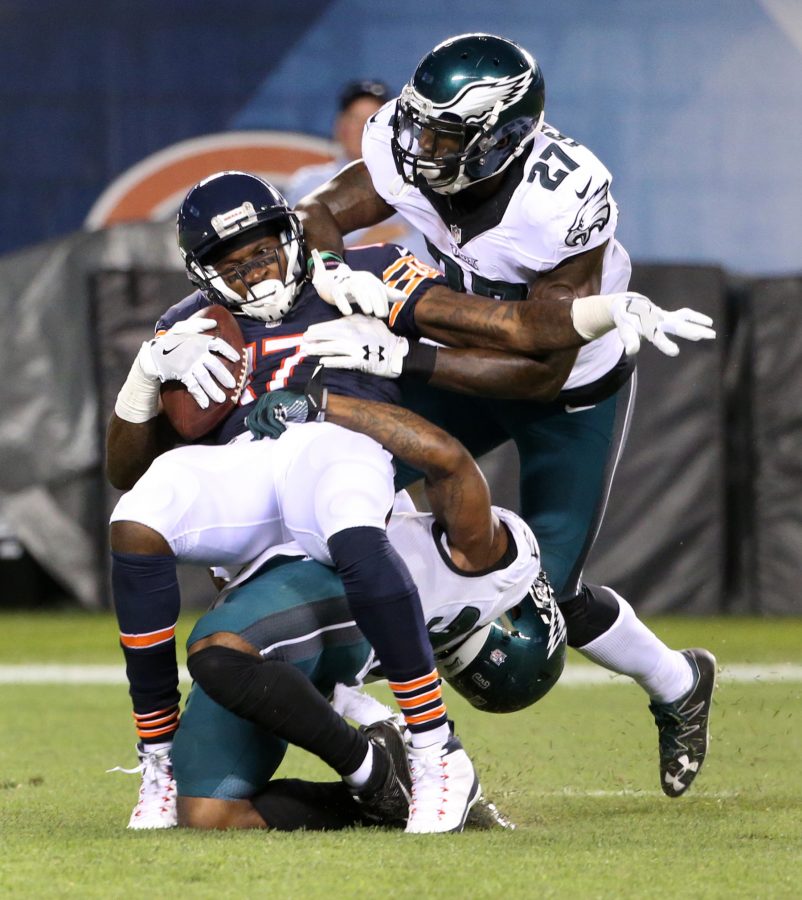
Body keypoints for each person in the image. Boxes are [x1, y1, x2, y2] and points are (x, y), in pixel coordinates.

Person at [294, 32, 718, 799]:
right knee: (337, 473)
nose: (418, 146)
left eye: (444, 134)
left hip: (567, 386)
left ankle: (678, 682)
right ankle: (342, 679)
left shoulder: (561, 200)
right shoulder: (407, 146)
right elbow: (321, 210)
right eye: (418, 125)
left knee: (527, 611)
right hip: (450, 344)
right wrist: (330, 272)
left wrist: (406, 346)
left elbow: (537, 365)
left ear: (503, 139)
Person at [106, 169, 496, 833]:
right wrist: (145, 375)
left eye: (262, 251)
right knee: (135, 519)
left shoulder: (363, 272)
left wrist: (401, 331)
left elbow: (488, 336)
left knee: (345, 511)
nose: (256, 273)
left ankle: (435, 751)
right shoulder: (192, 324)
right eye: (234, 264)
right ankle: (159, 757)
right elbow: (122, 469)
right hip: (250, 477)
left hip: (336, 443)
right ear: (203, 273)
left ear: (289, 233)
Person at [173, 389, 564, 832]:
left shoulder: (467, 593)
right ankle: (388, 787)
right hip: (312, 587)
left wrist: (321, 403)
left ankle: (379, 781)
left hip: (310, 599)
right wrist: (321, 405)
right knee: (207, 812)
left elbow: (449, 459)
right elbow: (447, 460)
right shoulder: (489, 568)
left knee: (222, 657)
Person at [286, 79, 431, 260]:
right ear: (340, 125)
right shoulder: (309, 182)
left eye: (371, 119)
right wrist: (378, 238)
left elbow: (431, 247)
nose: (362, 128)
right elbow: (307, 253)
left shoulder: (413, 181)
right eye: (354, 119)